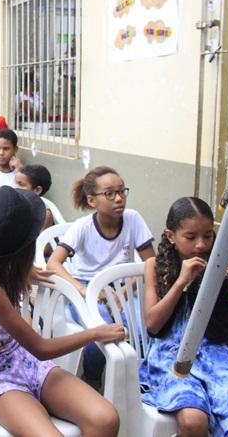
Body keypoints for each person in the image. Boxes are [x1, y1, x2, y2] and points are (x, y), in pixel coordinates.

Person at [0, 186, 123, 436]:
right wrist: (95, 334)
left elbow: (33, 353)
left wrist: (25, 271)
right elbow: (42, 349)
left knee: (105, 419)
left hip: (25, 361)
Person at [140, 197, 228, 437]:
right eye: (191, 237)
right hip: (173, 357)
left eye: (208, 236)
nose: (201, 245)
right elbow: (153, 323)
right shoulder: (155, 266)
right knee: (193, 421)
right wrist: (181, 281)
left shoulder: (223, 269)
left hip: (219, 357)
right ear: (171, 236)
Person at [47, 166, 155, 388]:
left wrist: (123, 292)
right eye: (109, 193)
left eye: (122, 191)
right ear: (92, 200)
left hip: (122, 286)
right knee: (102, 331)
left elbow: (150, 265)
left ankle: (141, 383)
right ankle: (92, 379)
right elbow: (53, 263)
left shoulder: (133, 219)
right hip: (86, 288)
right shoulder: (82, 227)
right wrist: (85, 291)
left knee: (142, 327)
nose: (119, 199)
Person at [14, 164, 54, 229]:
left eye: (21, 184)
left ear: (37, 190)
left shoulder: (45, 215)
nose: (16, 187)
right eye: (16, 183)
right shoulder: (16, 204)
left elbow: (40, 238)